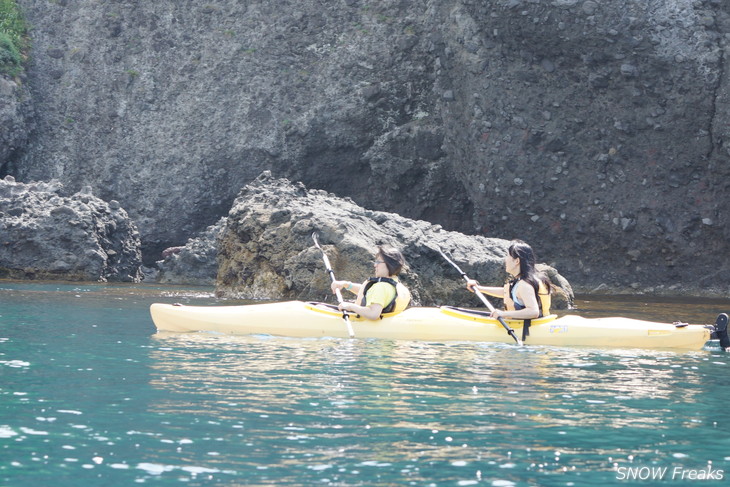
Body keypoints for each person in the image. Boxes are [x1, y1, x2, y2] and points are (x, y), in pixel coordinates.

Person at [466, 240, 551, 320]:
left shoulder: (525, 285)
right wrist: (479, 288)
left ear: (517, 261)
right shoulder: (523, 281)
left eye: (508, 256)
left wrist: (503, 314)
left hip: (527, 330)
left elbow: (533, 312)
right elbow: (507, 293)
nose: (505, 260)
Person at [331, 246, 411, 320]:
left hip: (361, 323)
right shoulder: (395, 285)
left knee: (321, 307)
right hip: (386, 322)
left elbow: (373, 314)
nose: (375, 265)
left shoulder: (381, 287)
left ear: (390, 265)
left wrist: (351, 307)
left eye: (378, 262)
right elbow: (369, 294)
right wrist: (347, 285)